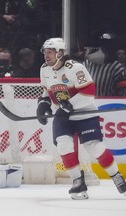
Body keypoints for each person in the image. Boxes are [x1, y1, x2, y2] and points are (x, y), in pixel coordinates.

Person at [36, 38, 126, 200]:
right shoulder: (44, 69)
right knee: (63, 145)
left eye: (50, 52)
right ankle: (78, 182)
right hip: (64, 116)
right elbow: (46, 91)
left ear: (60, 53)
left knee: (94, 147)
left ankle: (117, 176)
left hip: (85, 113)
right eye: (45, 52)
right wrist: (43, 104)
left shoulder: (75, 68)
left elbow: (89, 92)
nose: (46, 55)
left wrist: (68, 105)